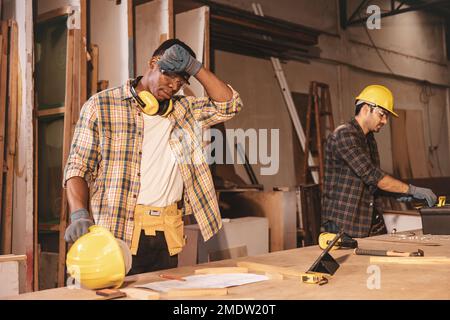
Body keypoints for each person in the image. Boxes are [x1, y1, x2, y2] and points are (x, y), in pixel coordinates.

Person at [63, 39, 243, 274]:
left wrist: (195, 67)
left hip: (167, 234)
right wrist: (78, 214)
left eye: (180, 82)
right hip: (118, 233)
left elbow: (229, 106)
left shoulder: (183, 109)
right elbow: (78, 165)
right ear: (153, 63)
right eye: (169, 77)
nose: (173, 86)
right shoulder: (101, 105)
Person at [321, 84, 437, 238]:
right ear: (365, 109)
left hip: (364, 220)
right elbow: (372, 175)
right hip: (343, 223)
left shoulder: (369, 140)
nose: (385, 121)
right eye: (382, 114)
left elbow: (373, 184)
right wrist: (411, 190)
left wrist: (403, 195)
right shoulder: (344, 135)